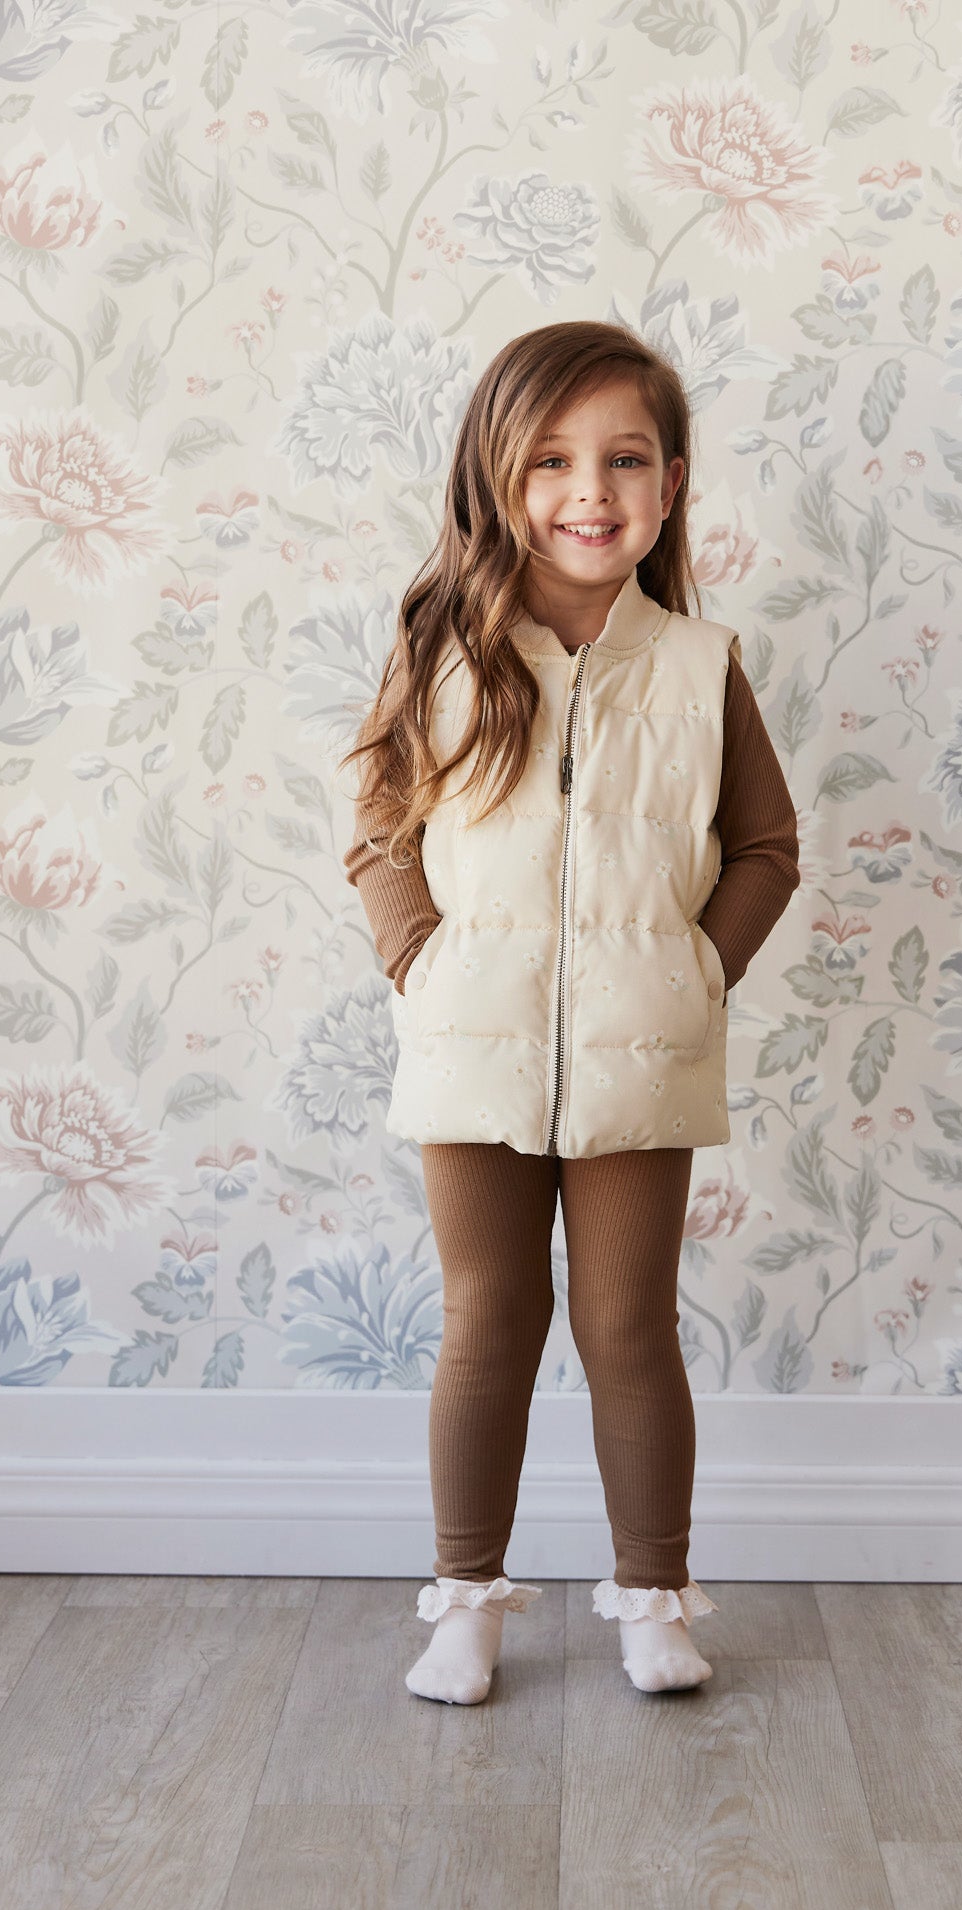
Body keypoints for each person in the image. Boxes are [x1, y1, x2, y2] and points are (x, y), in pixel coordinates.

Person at [342, 320, 801, 1705]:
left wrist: (696, 973)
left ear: (671, 484)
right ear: (497, 478)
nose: (588, 490)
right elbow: (380, 830)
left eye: (624, 459)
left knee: (627, 1327)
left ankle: (653, 1601)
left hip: (641, 1055)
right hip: (469, 1049)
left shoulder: (700, 664)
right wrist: (421, 961)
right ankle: (464, 1607)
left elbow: (766, 848)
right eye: (549, 459)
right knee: (487, 1321)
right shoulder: (442, 648)